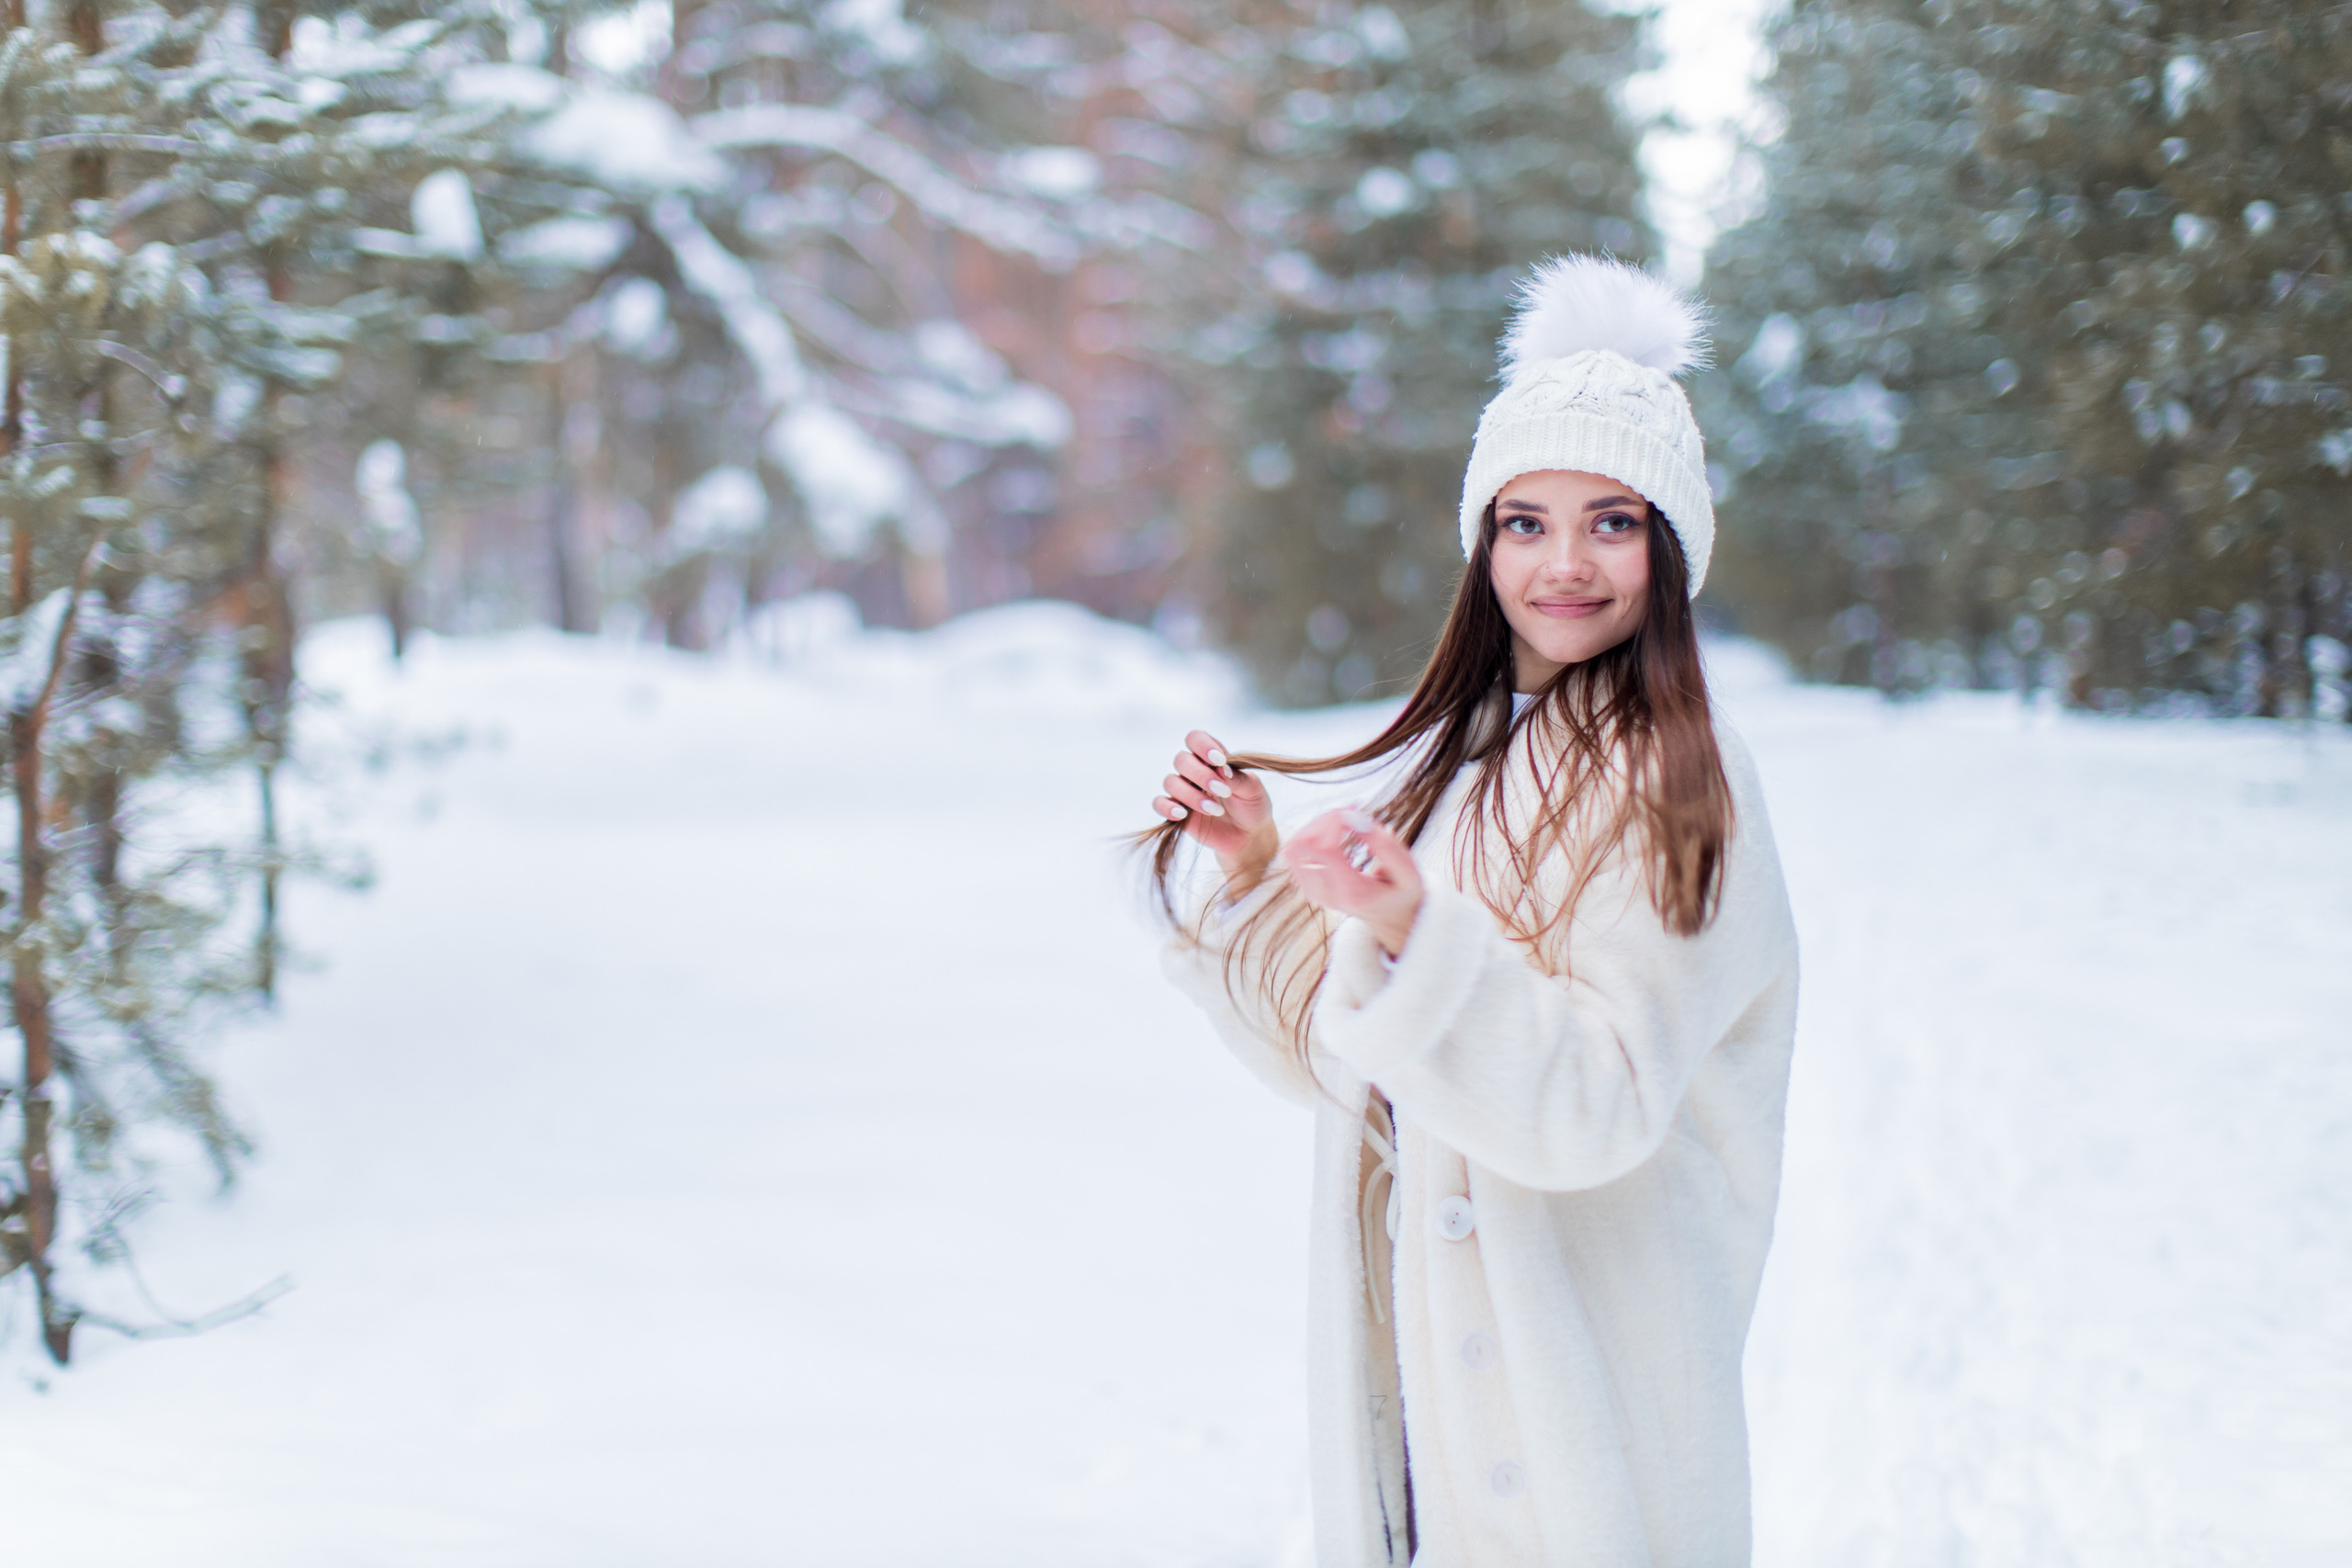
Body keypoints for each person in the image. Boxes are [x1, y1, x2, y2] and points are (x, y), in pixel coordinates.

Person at [1140, 255, 1801, 1566]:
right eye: (1525, 521)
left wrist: (1414, 938)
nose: (1564, 564)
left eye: (1612, 521)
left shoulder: (1685, 783)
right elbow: (1362, 1069)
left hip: (1589, 1426)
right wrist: (1261, 872)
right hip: (1445, 1425)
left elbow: (1591, 1103)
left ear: (1671, 546)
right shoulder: (1490, 764)